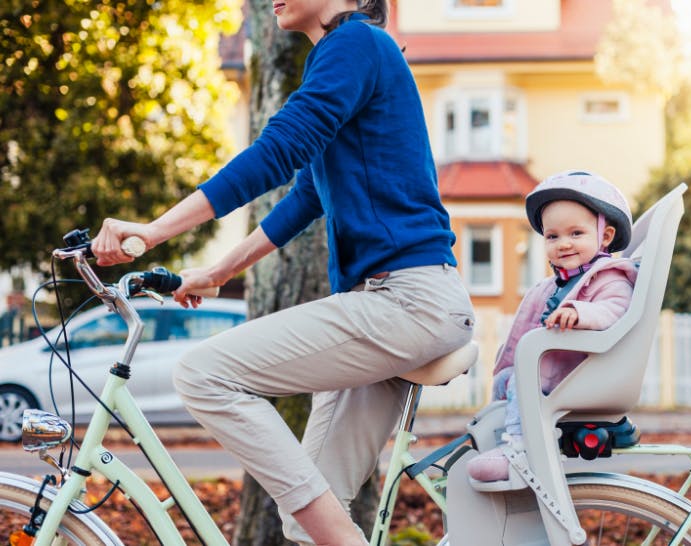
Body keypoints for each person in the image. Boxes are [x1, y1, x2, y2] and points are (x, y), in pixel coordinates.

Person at [91, 1, 475, 544]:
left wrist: (154, 230)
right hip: (396, 306)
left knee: (203, 375)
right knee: (306, 520)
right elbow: (307, 196)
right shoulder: (343, 56)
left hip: (405, 302)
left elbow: (279, 150)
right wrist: (218, 270)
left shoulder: (358, 44)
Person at [467, 170, 637, 484]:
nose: (563, 244)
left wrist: (579, 311)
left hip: (582, 374)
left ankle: (520, 450)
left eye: (576, 233)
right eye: (553, 236)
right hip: (557, 369)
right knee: (507, 379)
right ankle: (502, 438)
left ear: (606, 236)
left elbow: (615, 310)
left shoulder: (610, 276)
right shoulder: (555, 285)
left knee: (522, 380)